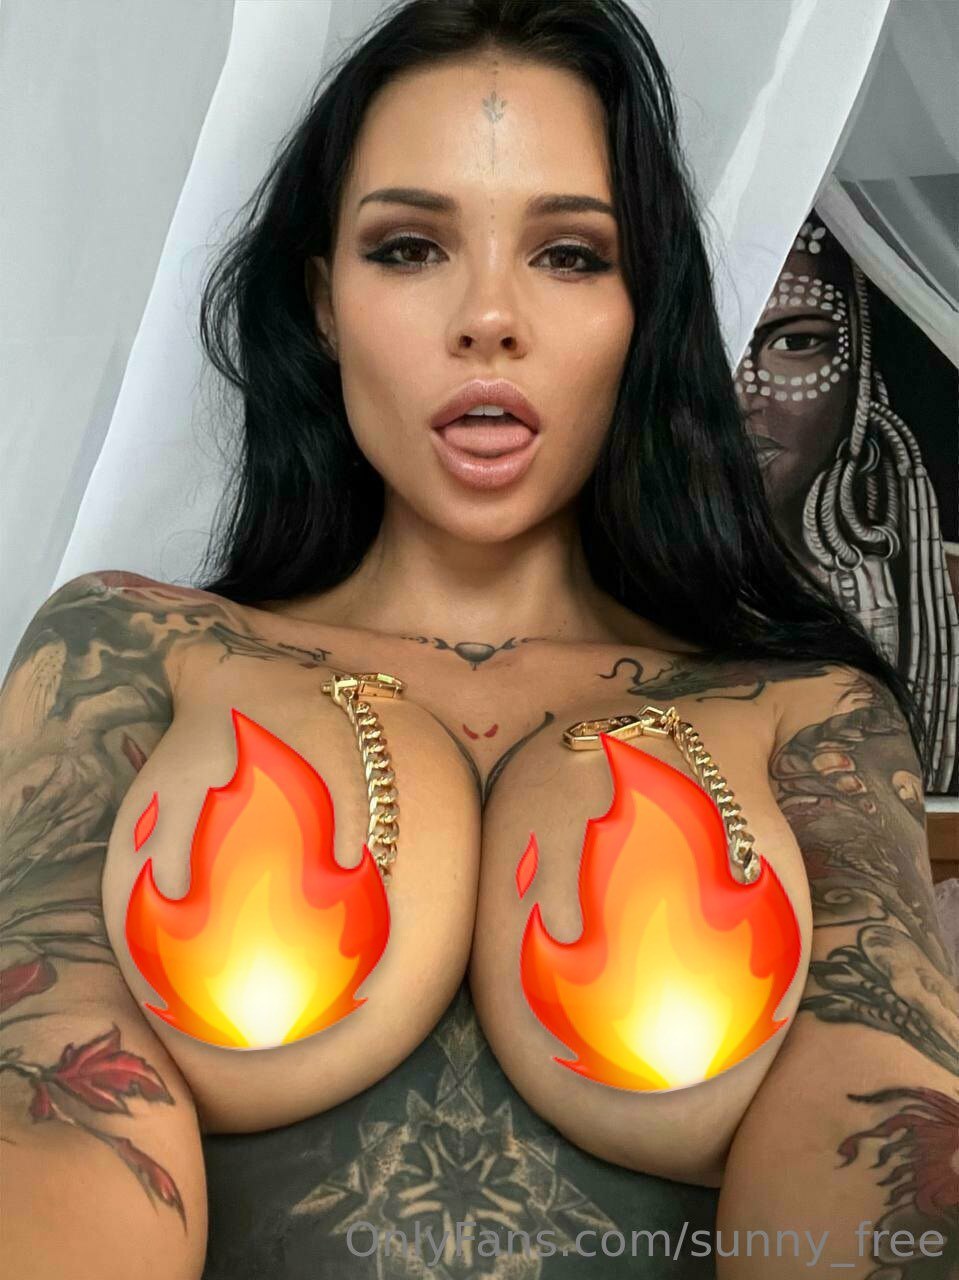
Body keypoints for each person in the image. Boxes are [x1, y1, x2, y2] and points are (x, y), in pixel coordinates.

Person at [2, 3, 956, 1278]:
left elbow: (889, 1138)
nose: (489, 318)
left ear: (642, 307)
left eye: (568, 254)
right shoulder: (137, 647)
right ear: (323, 302)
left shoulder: (802, 708)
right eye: (409, 247)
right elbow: (41, 1101)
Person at [735, 215, 958, 796]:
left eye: (793, 342)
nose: (743, 393)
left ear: (857, 362)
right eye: (712, 345)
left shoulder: (924, 587)